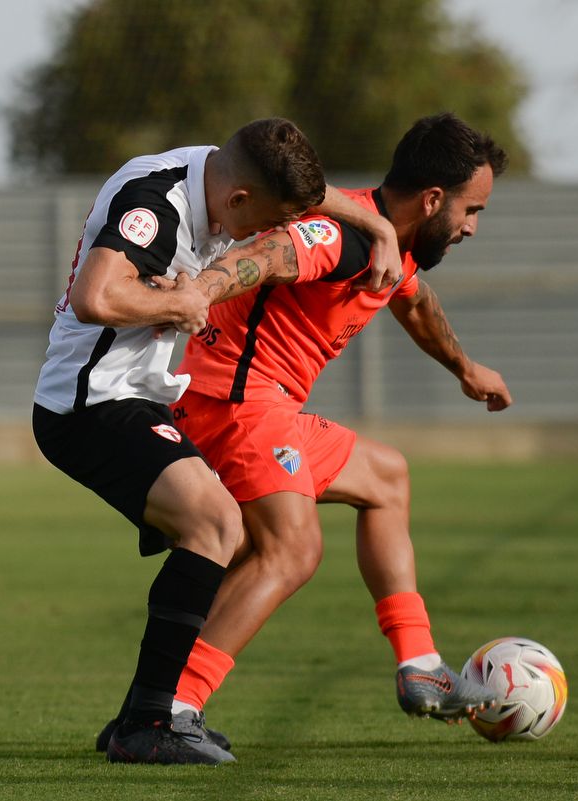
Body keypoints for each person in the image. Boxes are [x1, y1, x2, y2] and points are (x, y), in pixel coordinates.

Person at [92, 112, 513, 756]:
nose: (472, 228)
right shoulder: (339, 236)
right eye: (471, 210)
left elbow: (417, 302)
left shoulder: (386, 249)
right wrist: (198, 291)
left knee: (386, 476)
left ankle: (419, 663)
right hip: (234, 404)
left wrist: (466, 368)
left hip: (271, 409)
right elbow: (268, 253)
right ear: (433, 200)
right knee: (291, 551)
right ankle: (170, 710)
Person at [32, 117, 404, 765]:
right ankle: (148, 723)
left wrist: (379, 226)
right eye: (265, 221)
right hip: (87, 403)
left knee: (227, 534)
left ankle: (144, 712)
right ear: (238, 201)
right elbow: (96, 296)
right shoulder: (157, 204)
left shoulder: (230, 173)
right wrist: (176, 306)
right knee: (215, 522)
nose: (266, 235)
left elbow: (308, 197)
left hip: (139, 396)